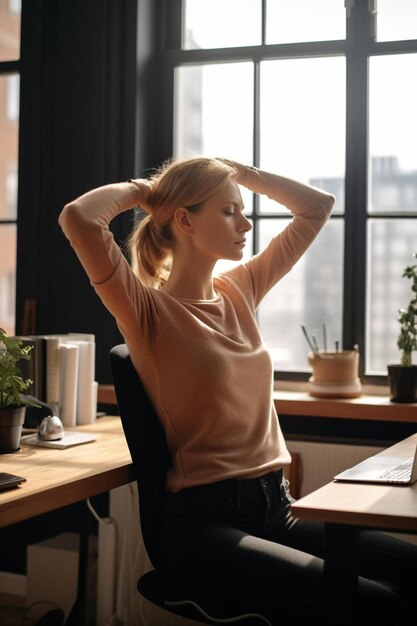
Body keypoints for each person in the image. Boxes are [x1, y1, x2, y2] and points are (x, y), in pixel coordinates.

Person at [59, 157, 417, 625]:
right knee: (376, 605)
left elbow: (317, 207)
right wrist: (150, 191)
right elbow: (78, 217)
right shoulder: (144, 309)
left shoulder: (240, 289)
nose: (246, 223)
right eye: (230, 211)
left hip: (279, 509)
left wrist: (239, 174)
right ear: (184, 220)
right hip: (203, 526)